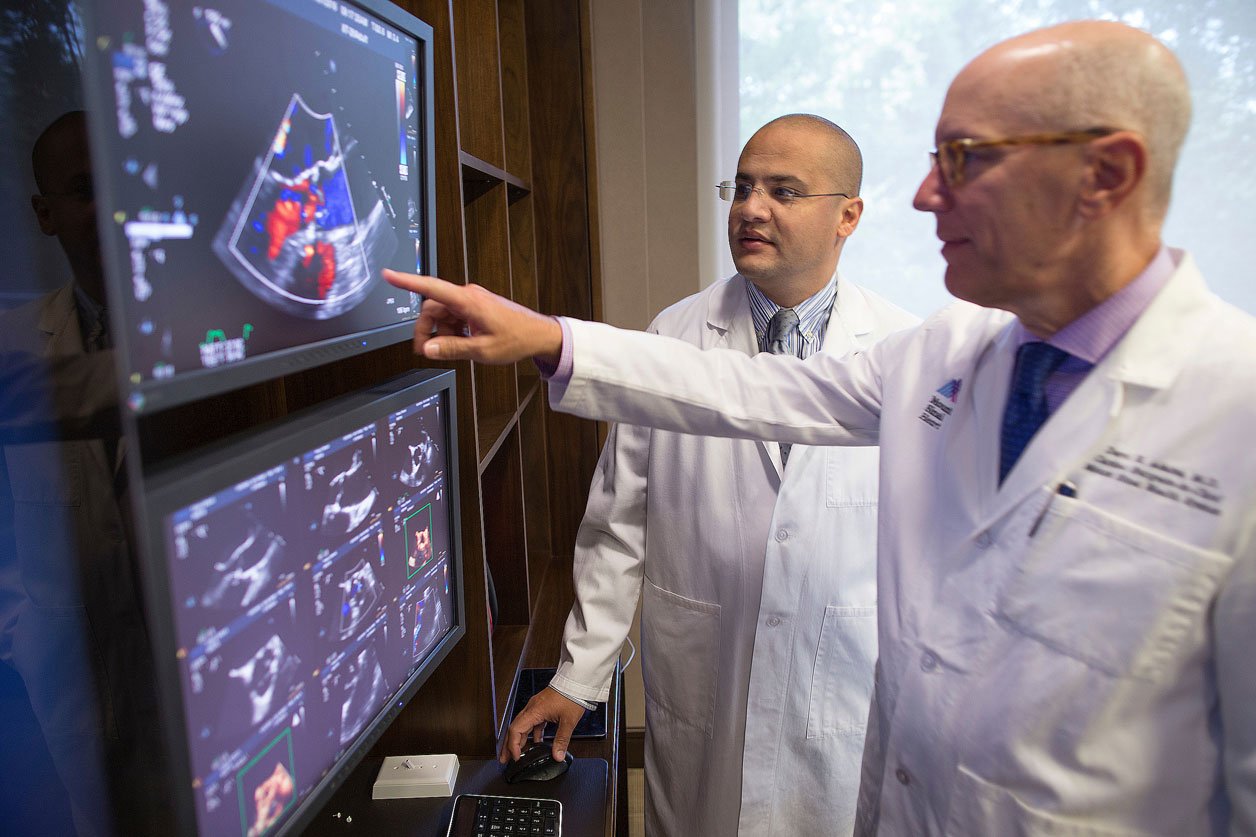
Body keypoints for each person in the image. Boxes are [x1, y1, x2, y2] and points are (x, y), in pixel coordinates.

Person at [385, 19, 1256, 835]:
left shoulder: (1234, 410)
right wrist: (548, 337)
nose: (923, 195)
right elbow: (742, 391)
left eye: (963, 158)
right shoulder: (949, 353)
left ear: (1105, 175)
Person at [503, 115, 916, 835]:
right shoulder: (677, 335)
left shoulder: (902, 351)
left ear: (848, 214)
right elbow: (618, 523)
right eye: (744, 187)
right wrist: (578, 677)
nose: (752, 208)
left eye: (784, 190)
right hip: (705, 685)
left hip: (842, 691)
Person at [0, 111, 170, 835]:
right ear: (44, 214)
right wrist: (23, 634)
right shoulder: (14, 343)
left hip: (186, 676)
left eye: (120, 183)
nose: (108, 208)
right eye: (81, 189)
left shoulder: (199, 331)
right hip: (74, 685)